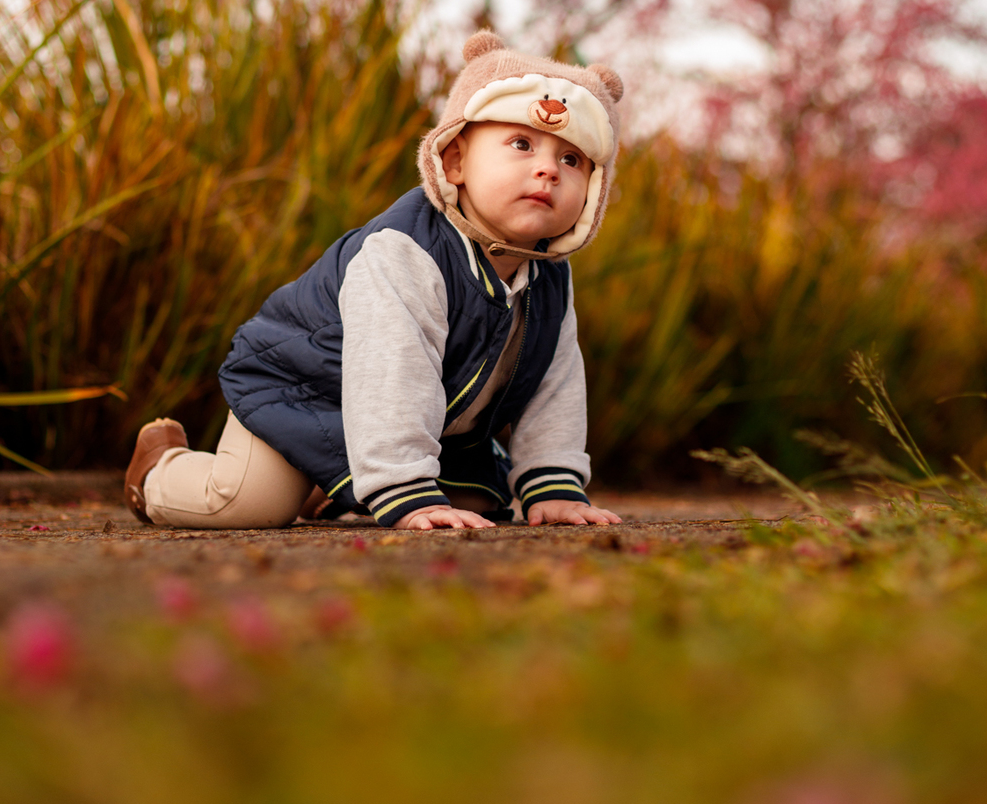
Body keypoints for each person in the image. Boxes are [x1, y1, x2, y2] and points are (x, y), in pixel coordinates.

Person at [123, 31, 625, 532]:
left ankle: (337, 488)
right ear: (455, 160)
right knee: (248, 505)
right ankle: (158, 472)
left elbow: (552, 380)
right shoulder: (405, 252)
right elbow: (392, 370)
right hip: (306, 391)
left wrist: (554, 483)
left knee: (474, 508)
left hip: (418, 421)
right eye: (521, 144)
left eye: (572, 159)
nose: (547, 170)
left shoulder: (548, 276)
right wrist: (403, 490)